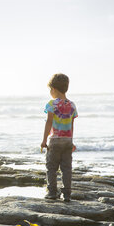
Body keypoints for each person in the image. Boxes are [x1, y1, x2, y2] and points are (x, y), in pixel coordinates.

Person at [40, 73, 78, 202]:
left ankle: (52, 192)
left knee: (51, 167)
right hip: (67, 140)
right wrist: (71, 141)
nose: (50, 92)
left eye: (50, 89)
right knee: (66, 168)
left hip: (55, 140)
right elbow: (71, 125)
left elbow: (49, 122)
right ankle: (67, 194)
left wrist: (44, 140)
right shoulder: (72, 105)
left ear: (54, 89)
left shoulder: (51, 104)